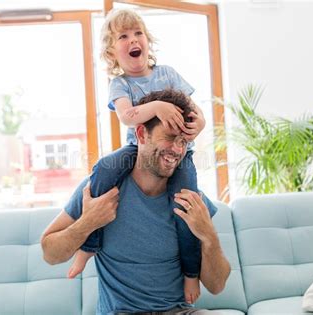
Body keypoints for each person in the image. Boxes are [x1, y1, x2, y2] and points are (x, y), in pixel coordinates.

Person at [41, 89, 231, 314]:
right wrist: (88, 222)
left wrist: (208, 234)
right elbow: (49, 253)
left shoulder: (189, 198)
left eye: (183, 141)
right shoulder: (100, 190)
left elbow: (217, 286)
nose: (178, 150)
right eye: (169, 137)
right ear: (141, 134)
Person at [68, 8, 208, 304]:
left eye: (138, 33)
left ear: (147, 41)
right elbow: (127, 116)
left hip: (180, 154)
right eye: (123, 36)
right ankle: (88, 246)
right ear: (112, 51)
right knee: (105, 166)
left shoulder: (167, 73)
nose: (133, 40)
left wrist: (199, 124)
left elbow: (196, 111)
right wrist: (157, 106)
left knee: (185, 208)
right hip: (138, 151)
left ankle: (191, 272)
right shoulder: (120, 84)